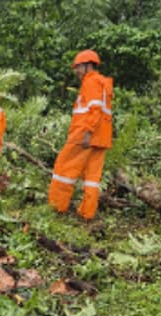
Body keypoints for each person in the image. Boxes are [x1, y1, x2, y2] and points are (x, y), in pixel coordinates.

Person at [47, 50, 113, 220]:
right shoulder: (103, 83)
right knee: (92, 177)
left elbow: (94, 109)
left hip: (85, 134)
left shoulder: (91, 82)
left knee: (63, 168)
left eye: (78, 67)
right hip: (101, 138)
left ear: (88, 65)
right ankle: (87, 213)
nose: (76, 71)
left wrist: (87, 132)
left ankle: (56, 207)